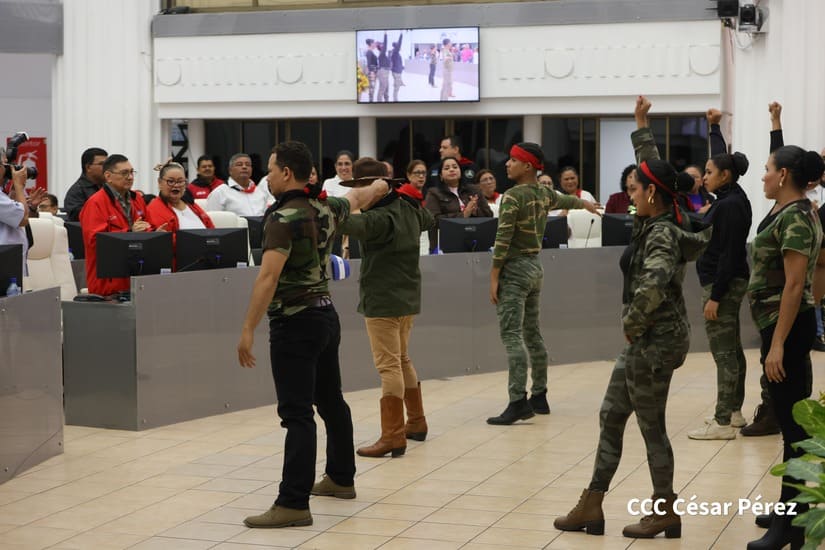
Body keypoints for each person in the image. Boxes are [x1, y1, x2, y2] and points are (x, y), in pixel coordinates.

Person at [554, 96, 710, 539]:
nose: (631, 194)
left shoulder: (661, 234)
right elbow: (655, 171)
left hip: (655, 342)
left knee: (650, 425)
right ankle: (592, 504)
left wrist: (632, 323)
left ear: (651, 195)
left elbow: (654, 284)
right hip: (646, 340)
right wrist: (642, 125)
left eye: (636, 189)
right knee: (611, 414)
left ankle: (665, 510)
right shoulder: (655, 216)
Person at [237, 141, 389, 529]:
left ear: (287, 173)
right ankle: (340, 478)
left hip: (294, 323)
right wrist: (381, 186)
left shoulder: (282, 218)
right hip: (325, 317)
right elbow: (358, 196)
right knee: (331, 401)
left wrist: (248, 328)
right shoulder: (326, 208)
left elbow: (268, 277)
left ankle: (292, 503)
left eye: (271, 169)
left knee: (297, 414)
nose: (267, 176)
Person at [746, 144, 825, 550]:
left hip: (786, 328)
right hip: (783, 324)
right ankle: (791, 510)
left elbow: (795, 285)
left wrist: (777, 345)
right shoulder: (792, 210)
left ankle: (789, 525)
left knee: (792, 427)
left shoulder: (795, 216)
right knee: (789, 421)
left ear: (783, 175)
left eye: (767, 169)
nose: (763, 175)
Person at [487, 143, 600, 425]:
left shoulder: (513, 196)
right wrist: (586, 204)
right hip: (535, 268)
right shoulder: (543, 193)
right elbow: (566, 200)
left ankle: (517, 401)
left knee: (512, 335)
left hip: (514, 270)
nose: (507, 164)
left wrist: (494, 276)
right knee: (533, 333)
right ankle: (539, 395)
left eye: (513, 160)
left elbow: (503, 239)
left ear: (527, 166)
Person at [337, 158, 434, 458]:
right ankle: (416, 422)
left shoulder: (379, 218)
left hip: (382, 299)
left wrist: (355, 198)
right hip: (408, 296)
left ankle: (392, 436)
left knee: (388, 366)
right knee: (402, 359)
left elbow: (339, 220)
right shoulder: (408, 207)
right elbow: (429, 220)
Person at [687, 108, 752, 440]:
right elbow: (720, 158)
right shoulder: (733, 196)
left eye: (709, 172)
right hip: (728, 280)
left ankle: (723, 421)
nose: (704, 177)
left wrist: (715, 296)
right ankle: (735, 411)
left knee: (724, 353)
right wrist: (713, 127)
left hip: (722, 283)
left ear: (725, 176)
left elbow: (728, 254)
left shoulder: (727, 206)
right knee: (733, 349)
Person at [79, 154, 167, 296]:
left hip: (137, 276)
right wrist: (130, 233)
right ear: (108, 176)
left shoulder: (137, 199)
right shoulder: (95, 203)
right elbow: (96, 242)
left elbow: (146, 226)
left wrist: (155, 235)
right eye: (124, 173)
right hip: (108, 284)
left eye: (132, 172)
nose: (130, 177)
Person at [424, 156, 492, 252]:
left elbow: (489, 215)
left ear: (460, 172)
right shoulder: (433, 193)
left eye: (455, 167)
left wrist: (475, 211)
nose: (452, 170)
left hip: (475, 244)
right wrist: (463, 214)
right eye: (447, 168)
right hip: (445, 247)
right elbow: (433, 221)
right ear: (441, 176)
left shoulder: (474, 190)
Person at [146, 162, 214, 237]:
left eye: (180, 181)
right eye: (171, 181)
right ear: (160, 183)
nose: (176, 185)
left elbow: (213, 231)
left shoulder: (192, 205)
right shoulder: (154, 209)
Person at [205, 153, 272, 216]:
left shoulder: (261, 192)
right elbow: (213, 221)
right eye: (239, 165)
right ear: (230, 170)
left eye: (248, 165)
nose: (244, 167)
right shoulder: (219, 193)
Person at [0, 165, 30, 276]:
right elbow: (23, 219)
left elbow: (13, 213)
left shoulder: (2, 195)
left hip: (10, 257)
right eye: (5, 165)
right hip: (6, 261)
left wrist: (14, 191)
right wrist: (19, 186)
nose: (9, 169)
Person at [64, 147, 108, 221]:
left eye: (108, 164)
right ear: (88, 167)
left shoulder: (109, 187)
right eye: (102, 164)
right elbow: (77, 218)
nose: (107, 168)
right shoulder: (76, 191)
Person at [390, 33, 404, 102]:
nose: (400, 47)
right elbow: (399, 43)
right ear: (397, 47)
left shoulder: (395, 53)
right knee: (396, 87)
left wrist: (402, 67)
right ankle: (395, 99)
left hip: (397, 70)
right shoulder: (395, 52)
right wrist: (401, 35)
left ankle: (399, 82)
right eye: (399, 46)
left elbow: (397, 61)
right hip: (396, 71)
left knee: (397, 84)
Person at [376, 33, 390, 103]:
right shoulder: (382, 53)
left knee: (386, 88)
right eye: (381, 44)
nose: (383, 45)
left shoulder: (383, 54)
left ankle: (386, 101)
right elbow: (385, 45)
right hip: (382, 72)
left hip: (385, 72)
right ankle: (379, 102)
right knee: (382, 88)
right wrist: (385, 35)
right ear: (379, 47)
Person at [364, 38, 378, 103]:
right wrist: (371, 72)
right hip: (372, 72)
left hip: (373, 71)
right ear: (371, 44)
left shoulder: (370, 52)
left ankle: (371, 100)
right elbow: (369, 63)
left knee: (372, 88)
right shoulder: (369, 52)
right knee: (372, 88)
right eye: (373, 43)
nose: (375, 44)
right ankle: (371, 101)